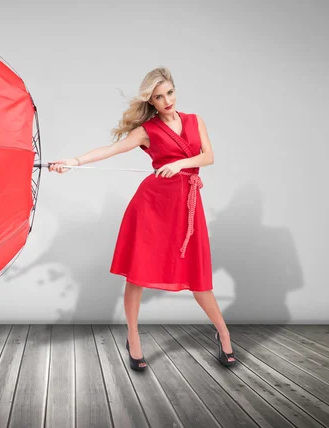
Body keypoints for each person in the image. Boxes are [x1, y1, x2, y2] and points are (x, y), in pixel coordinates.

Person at [48, 67, 236, 370]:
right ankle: (133, 338)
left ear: (176, 90)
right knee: (138, 275)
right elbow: (110, 150)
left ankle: (224, 334)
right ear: (151, 100)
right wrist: (74, 161)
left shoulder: (194, 120)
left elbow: (208, 157)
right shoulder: (147, 130)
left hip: (187, 205)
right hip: (152, 206)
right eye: (158, 97)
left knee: (198, 278)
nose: (166, 101)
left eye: (169, 93)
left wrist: (180, 164)